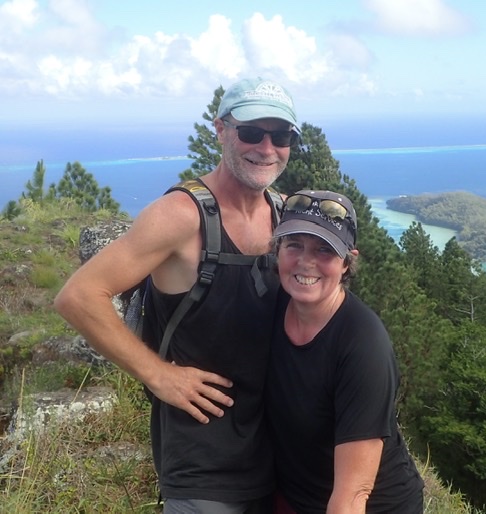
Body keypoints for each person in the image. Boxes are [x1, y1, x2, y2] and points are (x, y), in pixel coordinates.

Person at [54, 77, 301, 513]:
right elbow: (79, 295)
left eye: (281, 136)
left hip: (278, 456)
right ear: (220, 130)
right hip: (202, 462)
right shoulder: (180, 216)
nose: (267, 148)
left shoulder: (285, 215)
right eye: (250, 132)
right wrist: (158, 374)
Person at [266, 190, 425, 513]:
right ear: (277, 250)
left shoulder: (362, 346)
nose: (306, 261)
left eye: (324, 249)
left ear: (347, 263)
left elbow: (353, 496)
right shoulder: (272, 304)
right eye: (294, 244)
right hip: (297, 496)